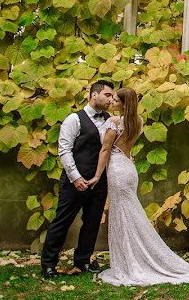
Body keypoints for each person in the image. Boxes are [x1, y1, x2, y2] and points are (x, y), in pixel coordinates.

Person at [88, 87, 189, 286]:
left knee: (124, 215)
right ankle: (133, 257)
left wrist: (97, 175)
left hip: (116, 169)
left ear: (124, 103)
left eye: (115, 100)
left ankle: (131, 261)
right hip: (129, 168)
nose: (112, 103)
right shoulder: (138, 122)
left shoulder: (114, 122)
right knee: (129, 213)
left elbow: (106, 149)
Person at [40, 80, 115, 279]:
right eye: (107, 95)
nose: (111, 99)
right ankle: (48, 264)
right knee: (62, 222)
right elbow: (64, 150)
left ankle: (83, 261)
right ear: (94, 95)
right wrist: (76, 177)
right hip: (74, 181)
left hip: (99, 182)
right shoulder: (74, 119)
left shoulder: (109, 119)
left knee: (92, 222)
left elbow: (108, 150)